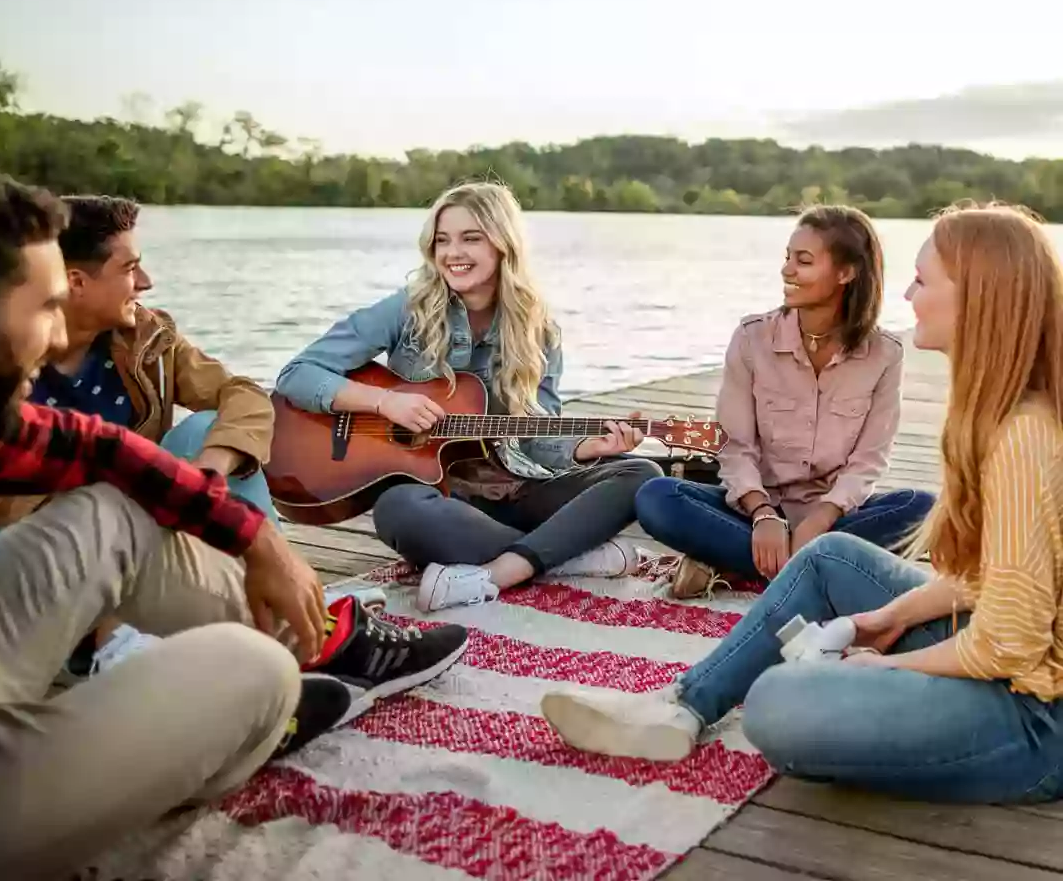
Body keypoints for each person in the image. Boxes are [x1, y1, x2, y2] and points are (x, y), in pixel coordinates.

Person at [0, 167, 467, 880]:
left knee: (113, 506)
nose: (54, 331)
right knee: (257, 676)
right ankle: (239, 700)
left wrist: (255, 535)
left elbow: (93, 446)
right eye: (45, 308)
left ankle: (322, 638)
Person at [541, 202, 1063, 806]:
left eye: (924, 280)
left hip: (1036, 720)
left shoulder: (1023, 432)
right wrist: (891, 617)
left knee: (776, 705)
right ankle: (681, 710)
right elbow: (991, 578)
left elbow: (1011, 644)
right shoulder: (998, 415)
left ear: (977, 296)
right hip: (774, 521)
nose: (910, 295)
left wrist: (886, 668)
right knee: (830, 558)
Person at [274, 180, 662, 614]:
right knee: (398, 510)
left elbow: (535, 435)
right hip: (444, 501)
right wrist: (384, 403)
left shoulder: (539, 331)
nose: (452, 253)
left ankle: (502, 569)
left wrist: (587, 448)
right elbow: (297, 375)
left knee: (640, 472)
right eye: (442, 241)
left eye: (470, 238)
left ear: (503, 244)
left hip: (519, 491)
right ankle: (569, 554)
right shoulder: (407, 309)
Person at [636, 205, 933, 599]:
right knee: (657, 498)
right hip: (749, 513)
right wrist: (762, 514)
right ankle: (818, 566)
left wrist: (822, 517)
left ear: (846, 273)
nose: (787, 270)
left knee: (924, 508)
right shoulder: (751, 338)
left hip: (832, 516)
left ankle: (738, 562)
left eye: (804, 261)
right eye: (788, 258)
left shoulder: (885, 354)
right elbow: (734, 445)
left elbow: (868, 462)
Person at [0, 193, 278, 547]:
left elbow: (245, 395)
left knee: (204, 428)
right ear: (76, 282)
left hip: (142, 517)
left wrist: (208, 471)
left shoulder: (147, 338)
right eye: (130, 268)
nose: (146, 281)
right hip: (41, 540)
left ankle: (283, 588)